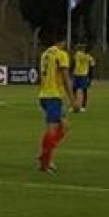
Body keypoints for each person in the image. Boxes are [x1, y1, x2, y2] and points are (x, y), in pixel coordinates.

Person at [37, 30, 77, 173]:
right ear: (62, 42)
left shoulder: (45, 54)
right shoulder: (61, 55)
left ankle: (45, 156)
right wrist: (73, 99)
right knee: (53, 130)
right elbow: (66, 78)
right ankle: (45, 162)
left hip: (43, 95)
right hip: (53, 96)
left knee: (64, 126)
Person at [71, 42, 96, 111]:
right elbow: (74, 62)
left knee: (84, 90)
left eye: (84, 48)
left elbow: (92, 67)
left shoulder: (89, 57)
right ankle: (74, 105)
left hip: (83, 75)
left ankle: (83, 106)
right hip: (76, 74)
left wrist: (90, 77)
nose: (83, 49)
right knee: (74, 90)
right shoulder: (78, 54)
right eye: (82, 47)